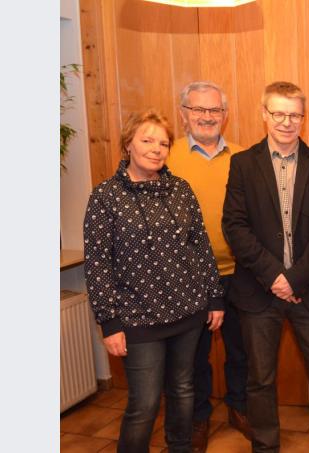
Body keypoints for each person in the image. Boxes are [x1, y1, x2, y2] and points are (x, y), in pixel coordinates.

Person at [83, 109, 225, 452]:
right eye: (147, 140)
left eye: (163, 143)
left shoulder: (180, 189)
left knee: (183, 391)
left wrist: (215, 298)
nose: (156, 149)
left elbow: (200, 245)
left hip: (188, 313)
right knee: (144, 404)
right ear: (128, 144)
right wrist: (110, 322)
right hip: (137, 319)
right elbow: (98, 264)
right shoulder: (105, 197)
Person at [222, 81, 309, 453]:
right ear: (264, 114)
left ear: (303, 118)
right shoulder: (243, 164)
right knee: (259, 380)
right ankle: (264, 447)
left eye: (294, 114)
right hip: (258, 293)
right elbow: (235, 225)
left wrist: (294, 279)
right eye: (278, 113)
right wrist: (274, 276)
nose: (286, 122)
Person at [166, 81, 250, 452]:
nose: (206, 117)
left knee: (243, 350)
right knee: (192, 358)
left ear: (225, 115)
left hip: (242, 272)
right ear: (183, 114)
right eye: (198, 109)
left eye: (214, 110)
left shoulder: (245, 156)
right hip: (188, 278)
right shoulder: (165, 157)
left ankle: (240, 408)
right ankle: (198, 419)